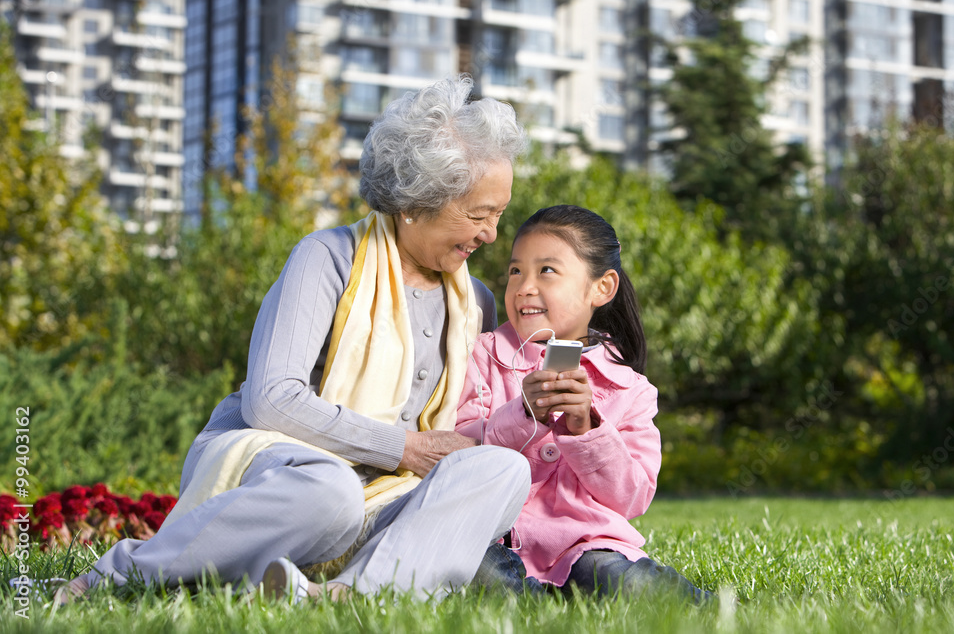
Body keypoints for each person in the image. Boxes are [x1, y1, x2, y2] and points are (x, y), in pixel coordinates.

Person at [56, 75, 531, 604]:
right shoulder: (326, 258)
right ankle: (122, 574)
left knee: (503, 468)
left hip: (388, 490)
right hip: (282, 469)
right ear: (415, 202)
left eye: (498, 215)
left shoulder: (477, 302)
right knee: (332, 493)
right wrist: (406, 446)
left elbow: (470, 427)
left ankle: (347, 595)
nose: (490, 234)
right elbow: (271, 400)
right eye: (478, 214)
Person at [456, 205, 711, 601]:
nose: (524, 286)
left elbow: (632, 496)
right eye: (515, 271)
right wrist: (522, 414)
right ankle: (532, 605)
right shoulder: (480, 357)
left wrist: (587, 429)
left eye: (547, 271)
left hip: (585, 543)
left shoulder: (631, 389)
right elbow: (458, 452)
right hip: (492, 537)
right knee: (473, 573)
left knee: (628, 583)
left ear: (602, 288)